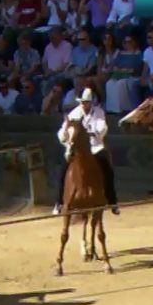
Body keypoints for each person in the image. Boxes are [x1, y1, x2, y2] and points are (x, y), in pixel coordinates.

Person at [54, 88, 119, 216]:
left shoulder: (98, 112)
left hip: (95, 147)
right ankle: (59, 202)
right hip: (77, 148)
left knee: (108, 171)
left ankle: (112, 202)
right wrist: (66, 137)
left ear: (91, 102)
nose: (85, 104)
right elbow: (62, 131)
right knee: (62, 172)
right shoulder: (74, 113)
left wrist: (93, 134)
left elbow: (102, 127)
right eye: (83, 102)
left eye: (87, 102)